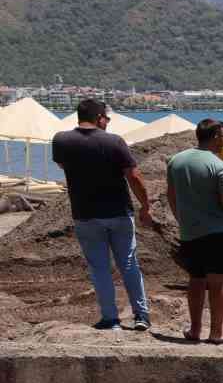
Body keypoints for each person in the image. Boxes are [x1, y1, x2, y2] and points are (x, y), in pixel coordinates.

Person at [51, 98, 154, 330]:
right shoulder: (115, 142)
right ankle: (141, 316)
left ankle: (110, 319)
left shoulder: (61, 141)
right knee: (129, 264)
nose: (107, 122)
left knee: (99, 268)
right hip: (118, 212)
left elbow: (63, 166)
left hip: (85, 214)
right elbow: (134, 178)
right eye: (106, 118)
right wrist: (146, 206)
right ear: (99, 118)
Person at [165, 119, 223, 344]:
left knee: (196, 281)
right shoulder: (219, 166)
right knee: (218, 283)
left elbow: (171, 196)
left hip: (190, 233)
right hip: (218, 233)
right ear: (216, 136)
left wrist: (182, 219)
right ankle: (216, 333)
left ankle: (195, 330)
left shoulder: (176, 161)